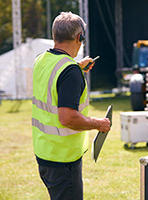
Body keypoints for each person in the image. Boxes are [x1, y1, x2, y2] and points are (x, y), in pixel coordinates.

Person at [32, 12, 111, 200]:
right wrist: (99, 124)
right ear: (79, 37)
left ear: (54, 36)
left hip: (45, 152)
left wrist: (75, 66)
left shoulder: (41, 60)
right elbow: (67, 118)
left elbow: (56, 76)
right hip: (63, 158)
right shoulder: (70, 71)